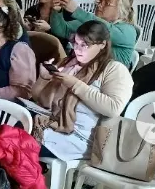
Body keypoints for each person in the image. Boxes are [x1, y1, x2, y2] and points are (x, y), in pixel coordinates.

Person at [31, 20, 133, 162]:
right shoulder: (69, 63)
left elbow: (113, 108)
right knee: (6, 130)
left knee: (12, 143)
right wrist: (43, 78)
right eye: (76, 44)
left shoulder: (114, 69)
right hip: (52, 125)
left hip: (80, 138)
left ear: (102, 45)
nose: (78, 50)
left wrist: (75, 84)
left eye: (85, 45)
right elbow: (41, 101)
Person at [50, 0, 139, 66]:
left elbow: (105, 30)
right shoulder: (92, 22)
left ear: (121, 9)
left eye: (107, 3)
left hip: (109, 78)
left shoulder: (128, 30)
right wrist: (57, 11)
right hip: (85, 71)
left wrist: (77, 11)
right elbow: (62, 30)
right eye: (99, 1)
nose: (99, 5)